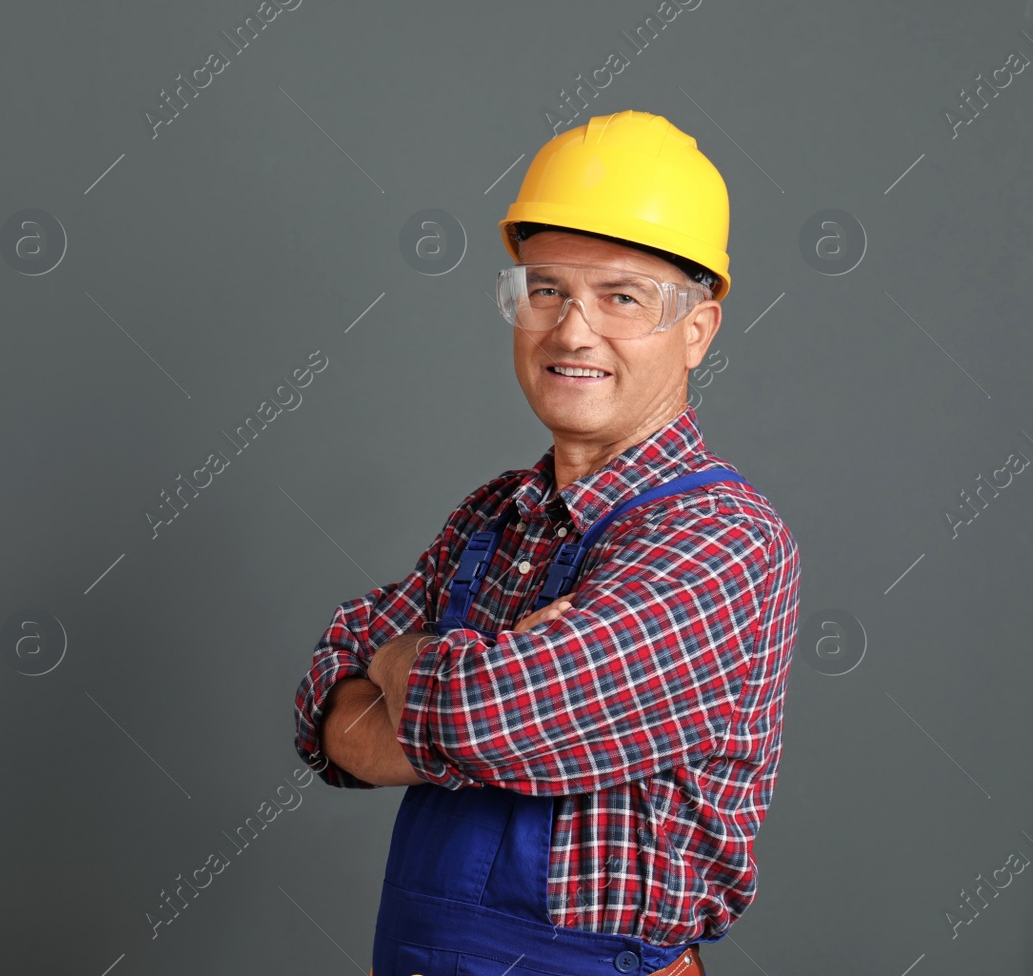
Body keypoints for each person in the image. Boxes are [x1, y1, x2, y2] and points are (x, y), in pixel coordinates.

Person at [292, 111, 802, 976]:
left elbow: (492, 716)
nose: (571, 330)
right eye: (547, 290)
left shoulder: (723, 543)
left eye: (622, 297)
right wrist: (466, 671)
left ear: (698, 330)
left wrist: (404, 669)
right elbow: (322, 699)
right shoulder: (493, 515)